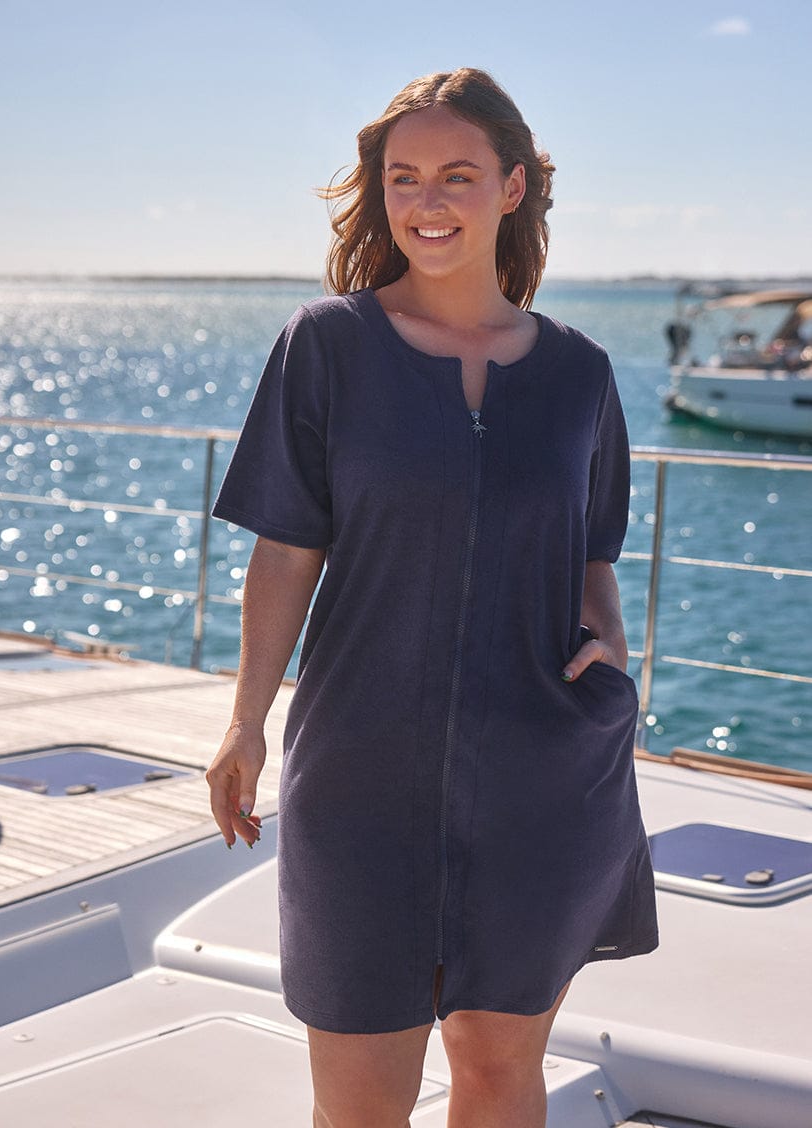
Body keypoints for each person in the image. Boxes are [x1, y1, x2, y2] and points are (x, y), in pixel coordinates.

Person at [206, 67, 658, 1128]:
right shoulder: (325, 346)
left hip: (542, 773)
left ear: (513, 187)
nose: (427, 201)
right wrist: (245, 721)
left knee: (499, 1072)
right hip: (361, 773)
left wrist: (610, 639)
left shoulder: (580, 373)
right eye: (403, 178)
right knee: (361, 1105)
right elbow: (286, 551)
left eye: (458, 174)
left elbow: (592, 552)